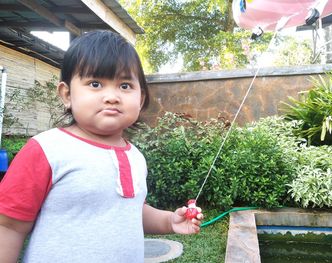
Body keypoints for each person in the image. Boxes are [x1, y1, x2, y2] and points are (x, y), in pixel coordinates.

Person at [0, 30, 203, 263]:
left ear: (142, 98)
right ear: (66, 95)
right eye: (95, 84)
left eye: (125, 86)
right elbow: (9, 227)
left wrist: (169, 221)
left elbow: (129, 212)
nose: (112, 96)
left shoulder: (136, 157)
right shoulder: (47, 149)